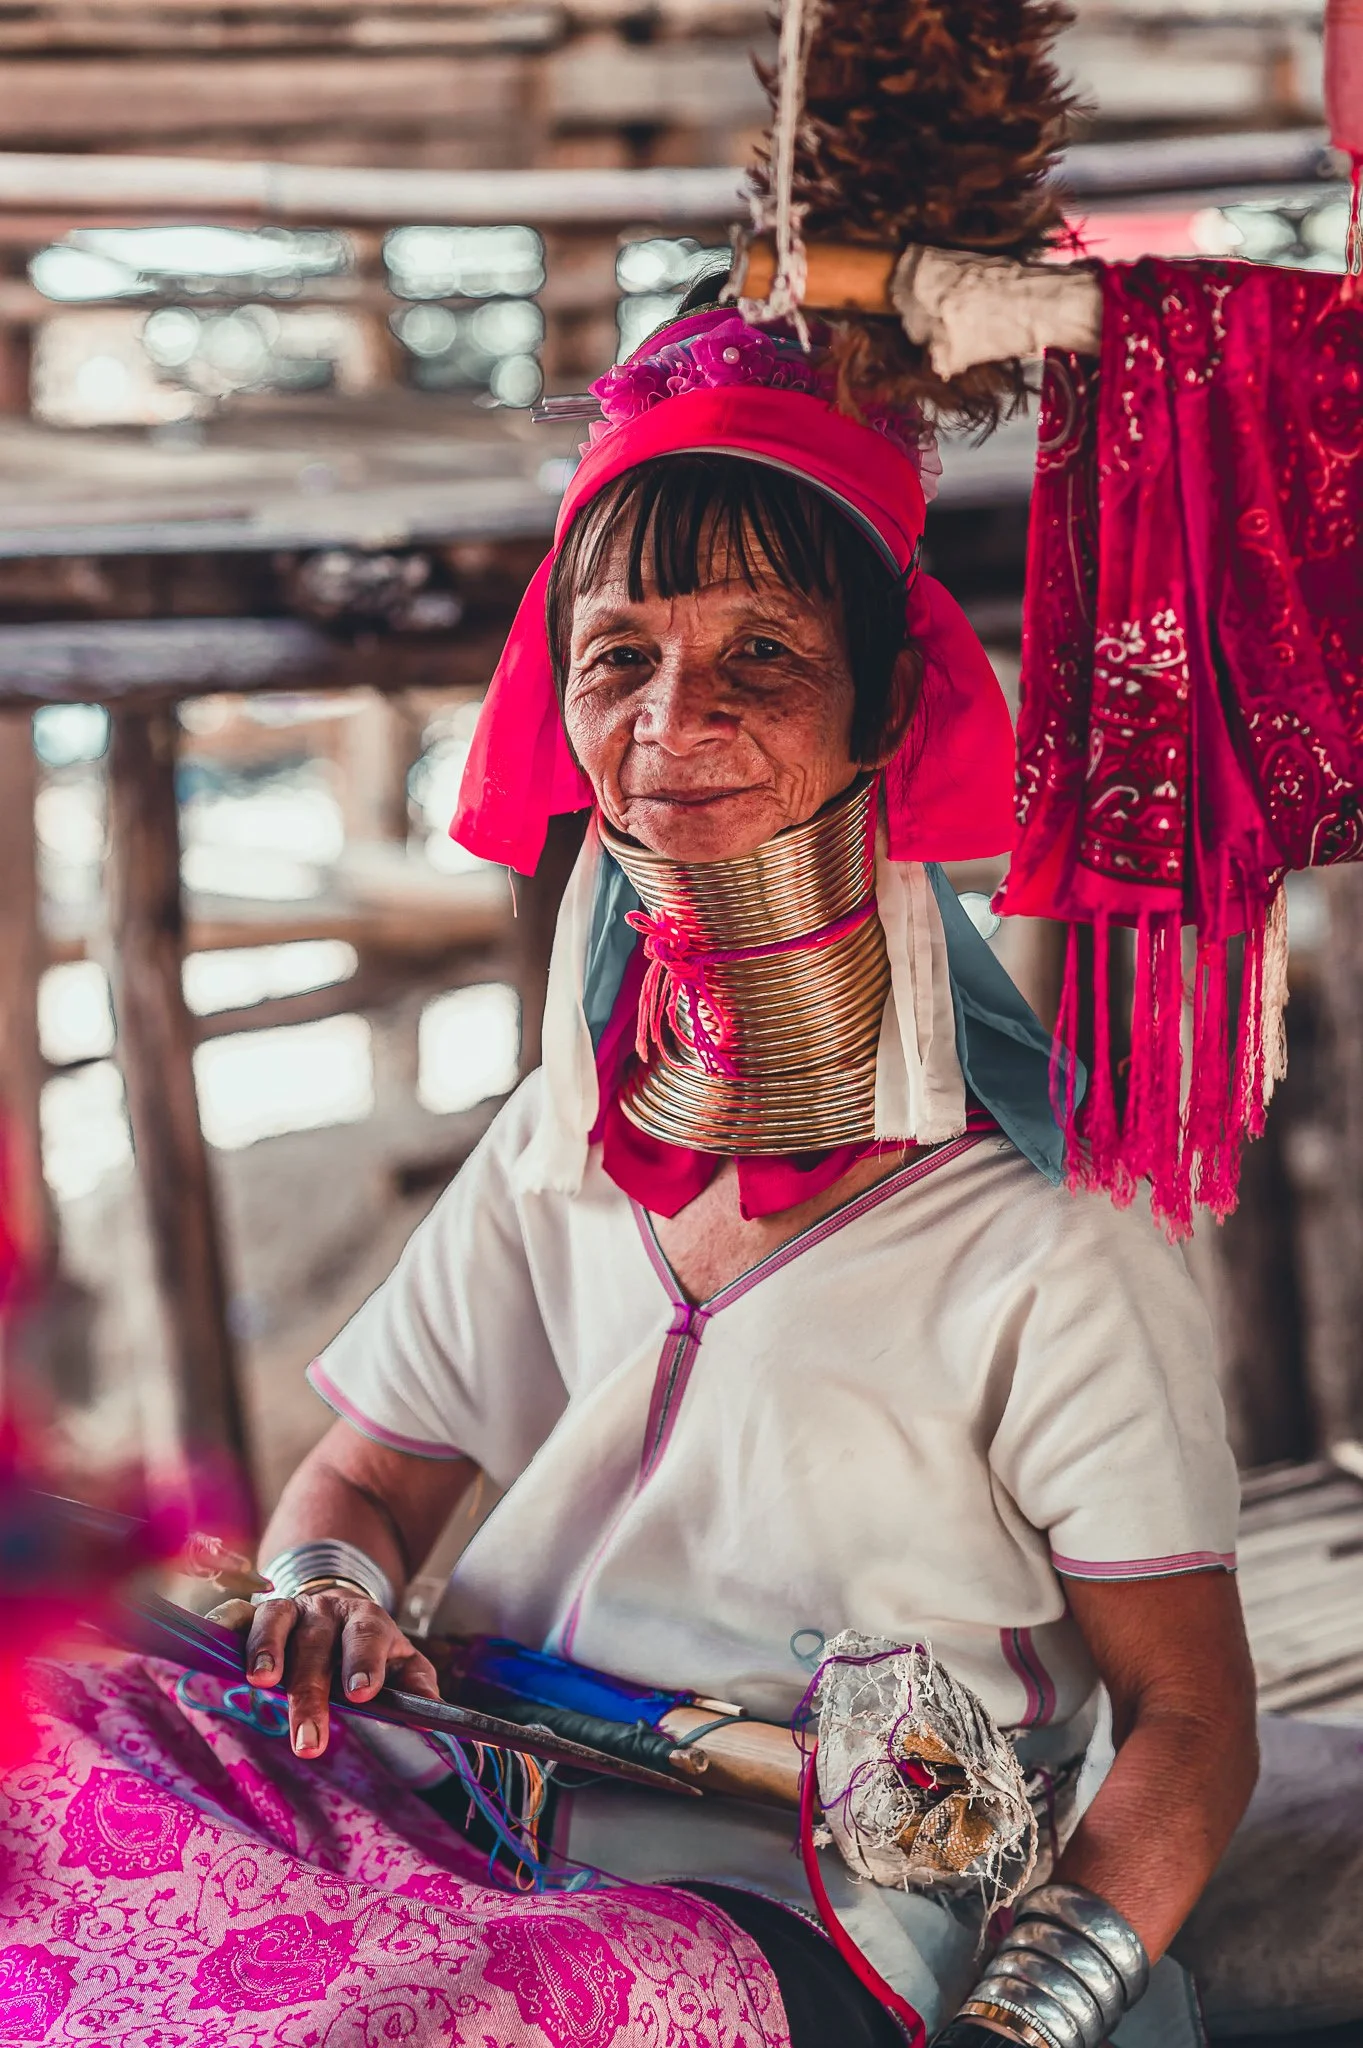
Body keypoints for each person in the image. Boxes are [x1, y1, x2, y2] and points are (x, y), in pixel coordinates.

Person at [0, 285, 1308, 2048]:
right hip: (455, 1794)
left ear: (884, 712)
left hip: (792, 1904)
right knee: (49, 1732)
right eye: (618, 654)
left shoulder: (1054, 1238)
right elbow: (367, 1490)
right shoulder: (568, 1143)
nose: (669, 712)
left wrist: (1037, 2008)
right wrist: (328, 1596)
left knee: (478, 2010)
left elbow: (1186, 1718)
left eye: (760, 655)